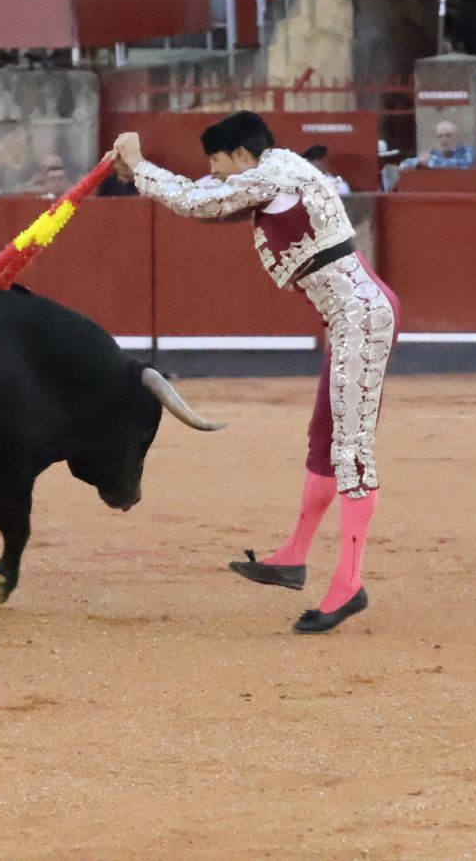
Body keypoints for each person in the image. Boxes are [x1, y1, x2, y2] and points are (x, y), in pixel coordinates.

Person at [111, 113, 399, 634]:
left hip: (361, 315)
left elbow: (200, 201)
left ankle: (349, 584)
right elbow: (204, 191)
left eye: (218, 163)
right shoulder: (275, 170)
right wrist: (142, 174)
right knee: (324, 440)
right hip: (351, 315)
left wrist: (140, 167)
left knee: (351, 450)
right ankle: (292, 556)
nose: (216, 174)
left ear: (242, 155)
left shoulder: (271, 174)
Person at [400, 120, 475, 169]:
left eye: (448, 135)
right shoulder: (433, 154)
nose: (443, 139)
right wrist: (419, 162)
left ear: (456, 137)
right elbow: (404, 164)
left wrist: (429, 162)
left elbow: (465, 165)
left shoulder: (466, 152)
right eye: (440, 136)